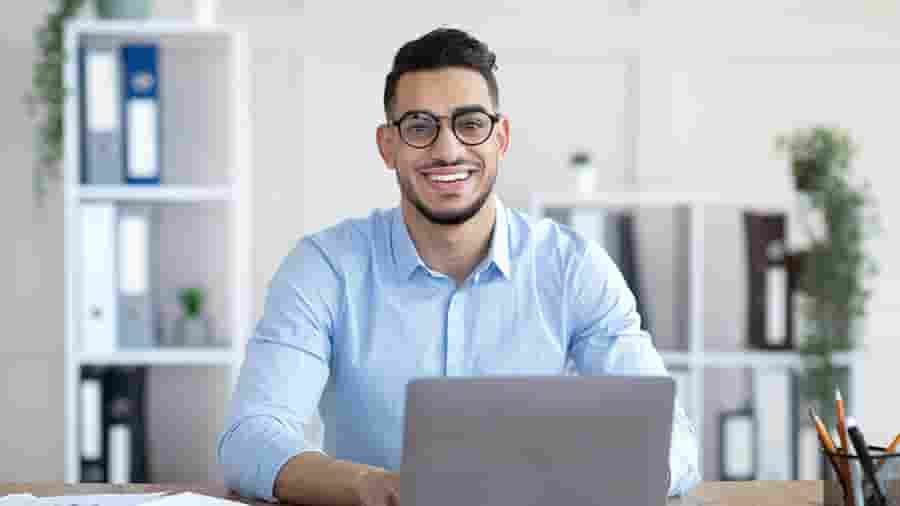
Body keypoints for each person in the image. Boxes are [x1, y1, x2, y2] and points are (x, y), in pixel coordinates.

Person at [218, 27, 700, 506]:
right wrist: (379, 488)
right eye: (420, 127)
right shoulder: (324, 268)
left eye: (470, 124)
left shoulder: (575, 269)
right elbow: (251, 437)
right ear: (388, 146)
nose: (447, 150)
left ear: (501, 137)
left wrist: (615, 478)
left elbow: (672, 440)